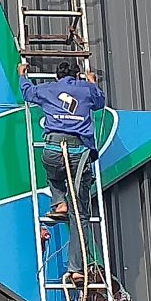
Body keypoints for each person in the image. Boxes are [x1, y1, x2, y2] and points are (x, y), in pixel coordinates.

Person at [19, 60, 106, 284]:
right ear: (77, 76)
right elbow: (100, 102)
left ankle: (59, 203)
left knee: (54, 175)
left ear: (57, 76)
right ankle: (77, 269)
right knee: (81, 216)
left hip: (54, 149)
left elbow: (27, 93)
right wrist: (92, 82)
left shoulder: (48, 88)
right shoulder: (86, 89)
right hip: (80, 153)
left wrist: (22, 75)